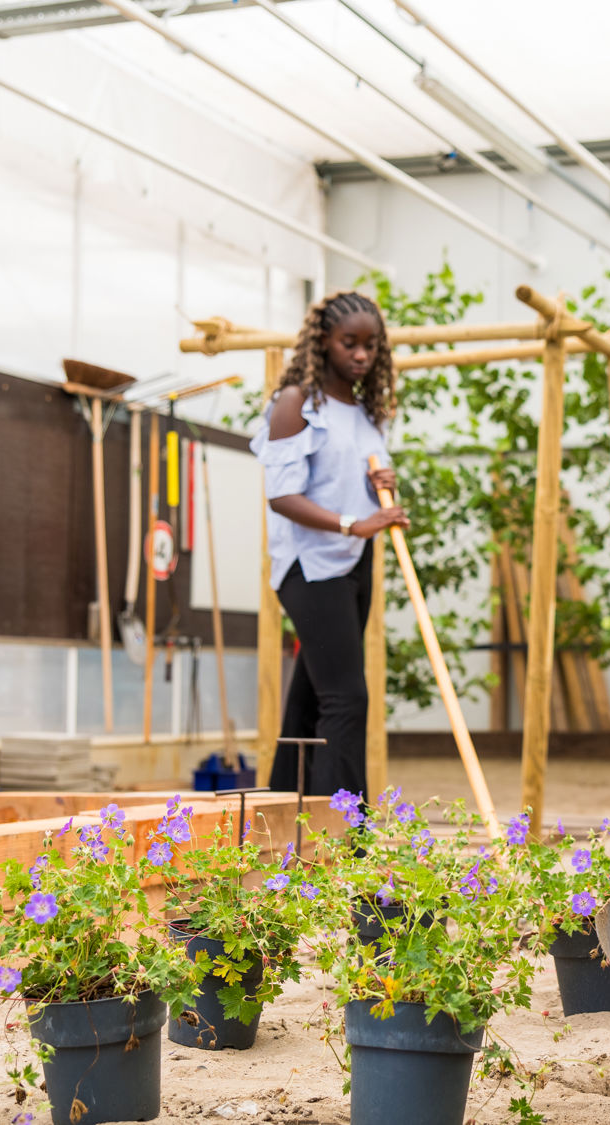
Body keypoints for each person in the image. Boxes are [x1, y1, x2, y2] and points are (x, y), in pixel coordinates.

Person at [251, 290, 408, 797]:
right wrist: (352, 524)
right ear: (323, 342)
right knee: (346, 698)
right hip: (309, 567)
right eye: (349, 343)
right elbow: (282, 497)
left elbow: (349, 483)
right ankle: (344, 839)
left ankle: (277, 819)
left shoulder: (365, 412)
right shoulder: (297, 403)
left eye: (370, 346)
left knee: (313, 695)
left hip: (351, 564)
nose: (361, 355)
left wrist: (380, 484)